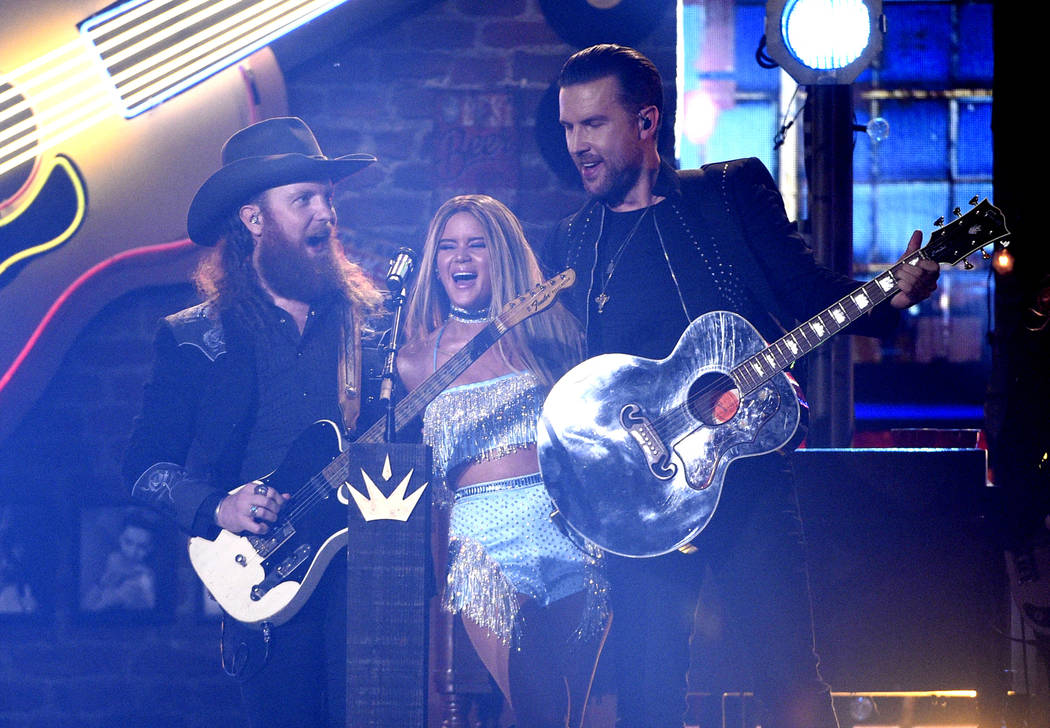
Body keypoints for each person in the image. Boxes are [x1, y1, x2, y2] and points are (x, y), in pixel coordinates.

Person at [544, 45, 941, 728]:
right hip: (641, 501)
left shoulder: (725, 197)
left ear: (646, 122)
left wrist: (894, 296)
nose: (579, 145)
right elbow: (574, 385)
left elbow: (810, 295)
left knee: (788, 679)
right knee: (646, 692)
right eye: (569, 128)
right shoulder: (571, 242)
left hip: (746, 476)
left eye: (594, 125)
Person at [123, 116, 383, 728]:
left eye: (327, 198)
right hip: (266, 583)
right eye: (303, 200)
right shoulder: (194, 337)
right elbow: (143, 466)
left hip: (369, 578)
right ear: (253, 219)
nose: (325, 214)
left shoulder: (370, 327)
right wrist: (219, 507)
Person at [396, 194, 610, 728]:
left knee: (573, 713)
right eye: (447, 247)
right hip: (482, 540)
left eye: (476, 245)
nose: (460, 258)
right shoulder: (412, 362)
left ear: (503, 255)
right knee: (535, 700)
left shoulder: (553, 333)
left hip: (570, 530)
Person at [82, 510, 157, 611]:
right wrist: (103, 582)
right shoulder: (113, 561)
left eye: (141, 547)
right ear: (120, 539)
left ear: (150, 548)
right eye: (128, 542)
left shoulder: (141, 581)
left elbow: (91, 609)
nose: (132, 551)